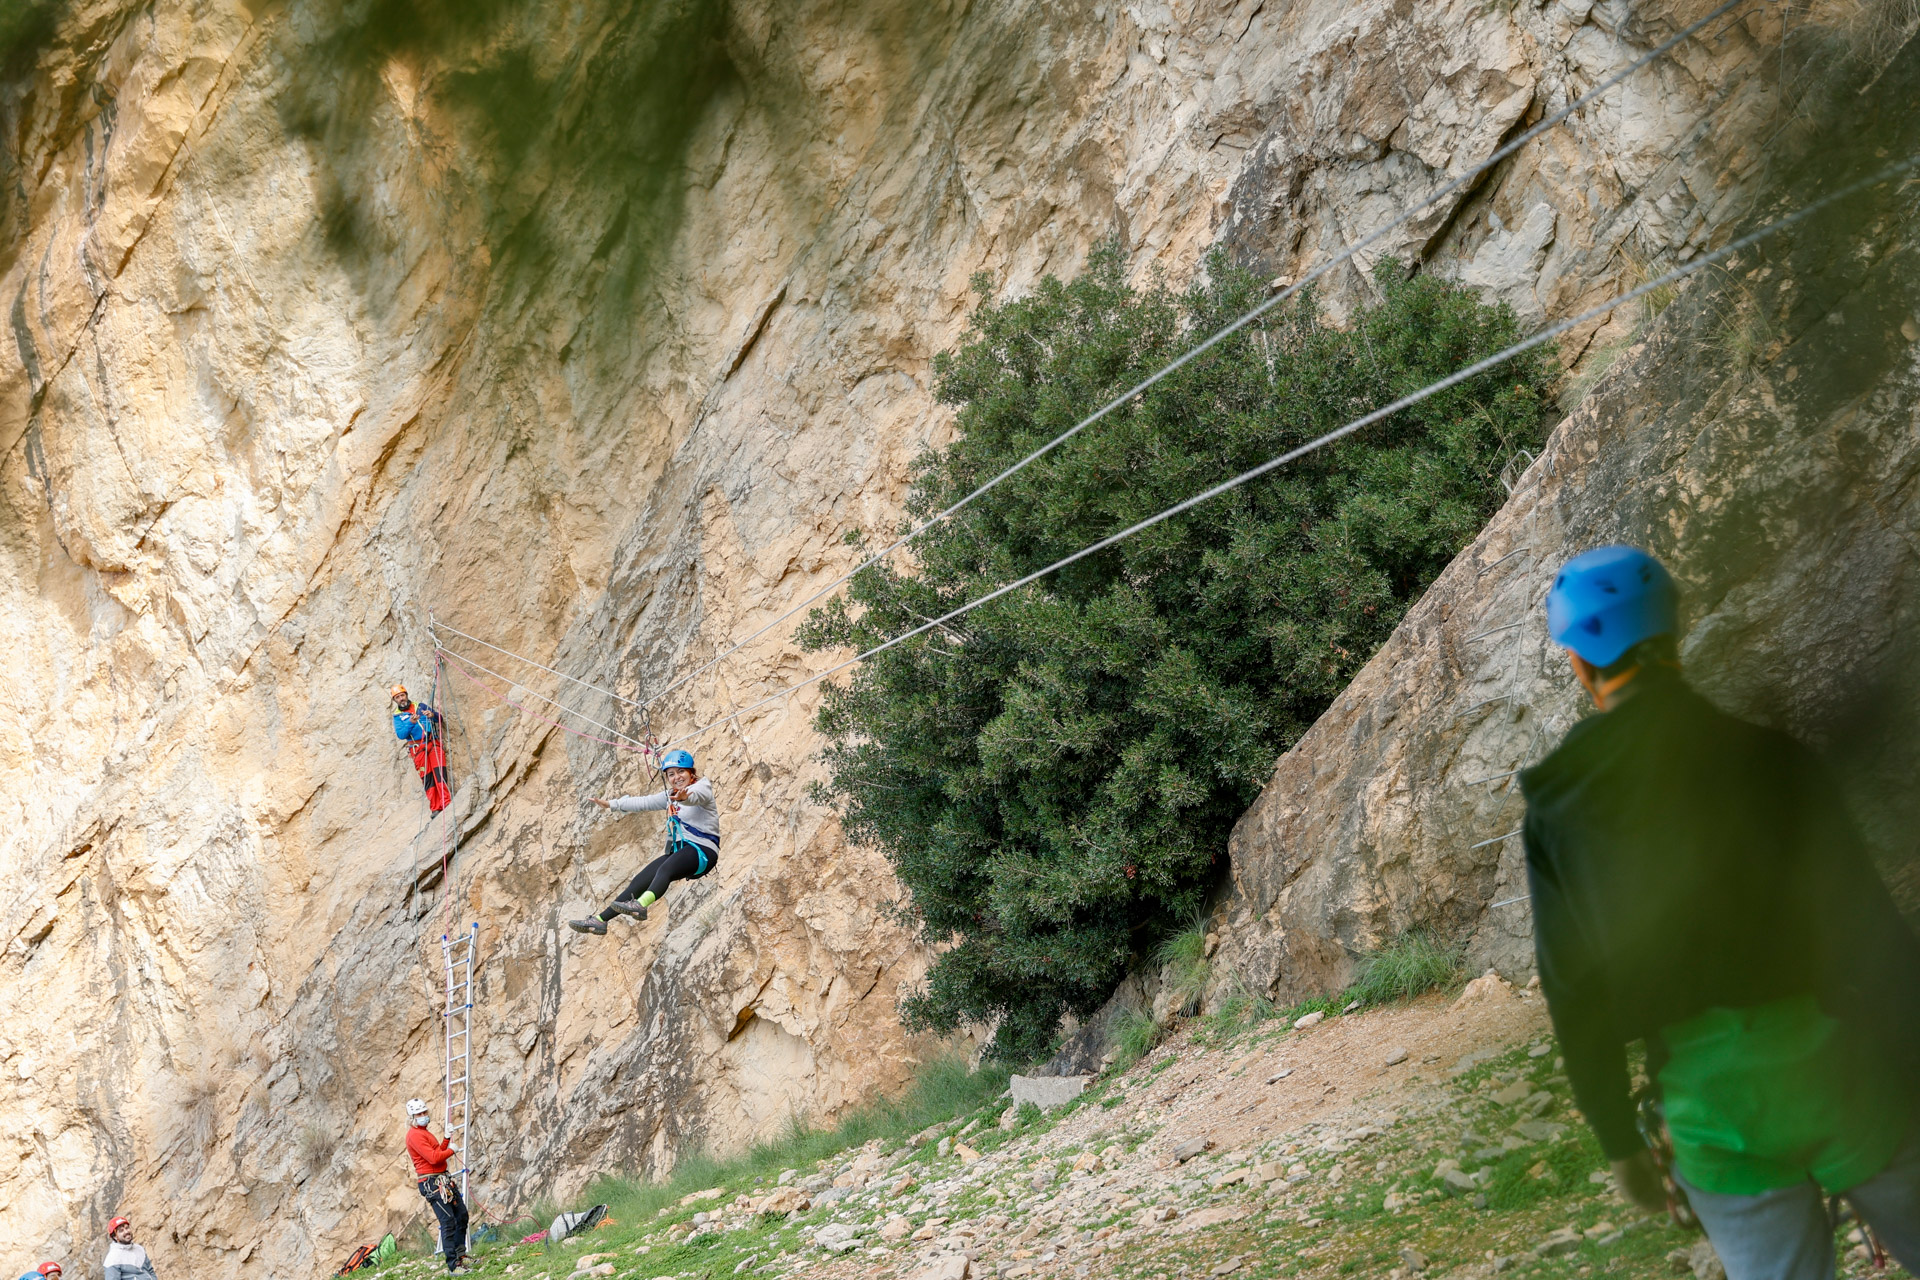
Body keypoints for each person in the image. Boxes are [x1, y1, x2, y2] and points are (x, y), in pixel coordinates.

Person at [1520, 544, 1920, 1280]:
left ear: (1577, 662)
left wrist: (1619, 1140)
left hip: (1709, 1110)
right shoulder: (1773, 757)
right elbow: (1868, 926)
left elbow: (1572, 994)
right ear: (1675, 632)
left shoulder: (1556, 809)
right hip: (1839, 1067)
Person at [569, 750, 718, 936]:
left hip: (703, 851)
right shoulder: (670, 795)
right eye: (671, 774)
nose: (676, 777)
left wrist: (684, 798)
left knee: (666, 869)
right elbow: (644, 802)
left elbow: (697, 796)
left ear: (691, 772)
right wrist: (611, 804)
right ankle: (599, 921)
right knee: (640, 880)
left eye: (681, 772)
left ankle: (640, 906)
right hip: (682, 852)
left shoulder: (701, 787)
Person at [405, 1098, 470, 1275]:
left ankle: (460, 1255)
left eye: (424, 1112)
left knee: (461, 1214)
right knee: (448, 1221)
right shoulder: (415, 1135)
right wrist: (452, 1150)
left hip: (440, 1179)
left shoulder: (424, 1133)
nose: (423, 1116)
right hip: (431, 1183)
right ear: (412, 1117)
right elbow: (434, 1158)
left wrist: (446, 1139)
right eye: (419, 1114)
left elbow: (436, 1152)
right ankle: (453, 1265)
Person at [391, 684, 452, 813]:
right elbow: (401, 735)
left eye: (402, 695)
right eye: (397, 697)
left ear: (406, 695)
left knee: (440, 773)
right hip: (417, 748)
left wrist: (432, 715)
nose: (401, 699)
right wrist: (410, 723)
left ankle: (446, 802)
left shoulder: (421, 707)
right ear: (395, 700)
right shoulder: (397, 717)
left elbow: (439, 719)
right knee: (427, 777)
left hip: (432, 743)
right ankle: (436, 808)